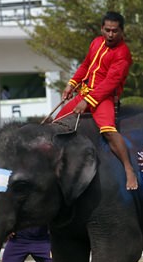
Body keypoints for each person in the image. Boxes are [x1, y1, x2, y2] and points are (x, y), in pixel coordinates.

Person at [56, 11, 137, 190]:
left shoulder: (123, 53)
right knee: (56, 124)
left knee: (108, 131)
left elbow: (110, 83)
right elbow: (85, 66)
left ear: (122, 31)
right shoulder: (96, 43)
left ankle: (128, 169)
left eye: (114, 31)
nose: (110, 34)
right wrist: (72, 84)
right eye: (107, 30)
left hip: (104, 98)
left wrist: (88, 101)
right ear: (102, 28)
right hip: (84, 94)